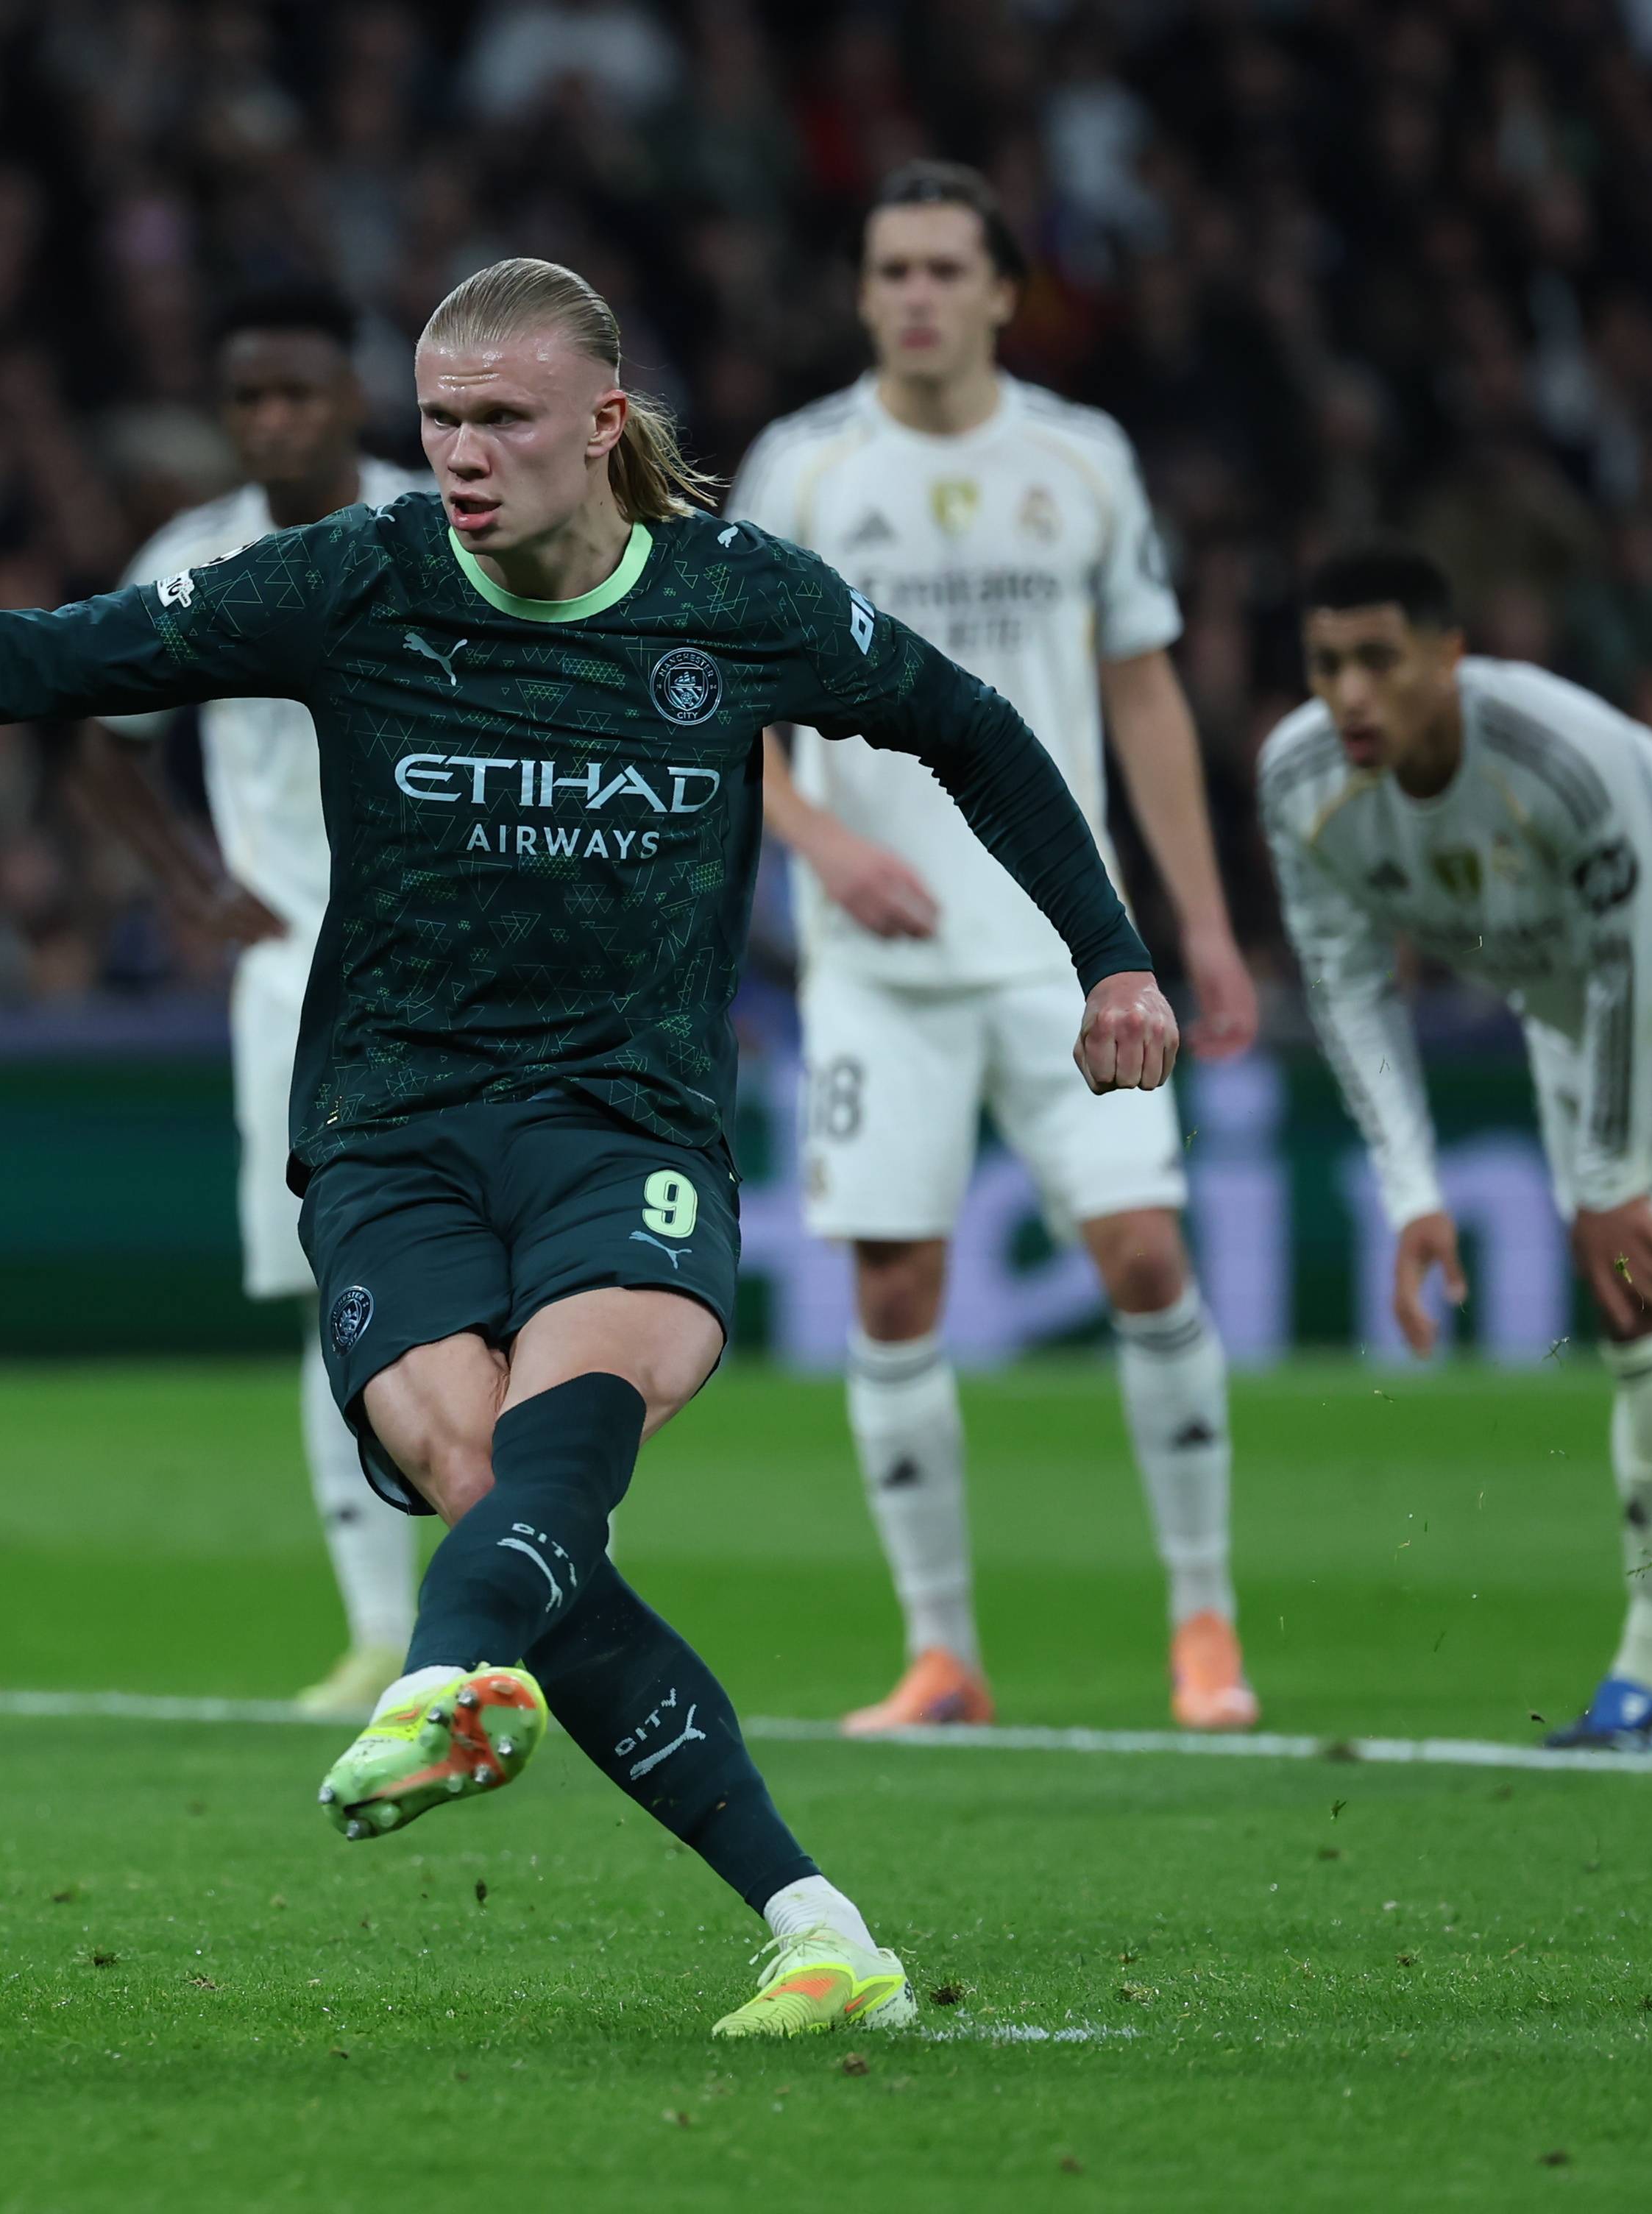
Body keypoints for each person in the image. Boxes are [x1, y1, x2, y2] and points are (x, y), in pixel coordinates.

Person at [0, 256, 1180, 2040]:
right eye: (441, 418)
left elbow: (973, 729)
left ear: (601, 423)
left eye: (502, 420)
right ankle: (819, 1927)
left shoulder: (736, 598)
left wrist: (1112, 954)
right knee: (486, 1483)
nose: (461, 453)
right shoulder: (354, 579)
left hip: (628, 1122)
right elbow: (47, 657)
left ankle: (444, 1677)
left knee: (560, 1454)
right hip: (392, 1131)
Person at [728, 161, 1261, 1736]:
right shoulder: (804, 468)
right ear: (861, 292)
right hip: (875, 961)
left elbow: (1144, 693)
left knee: (1145, 1254)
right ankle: (944, 1654)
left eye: (946, 269)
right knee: (897, 1288)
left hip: (1061, 952)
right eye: (891, 269)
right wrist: (824, 844)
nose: (917, 296)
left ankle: (1206, 1622)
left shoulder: (1082, 460)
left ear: (1004, 294)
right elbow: (720, 696)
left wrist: (1200, 926)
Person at [1263, 543, 1652, 1749]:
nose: (1349, 695)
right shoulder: (1299, 781)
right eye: (1326, 665)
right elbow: (1347, 988)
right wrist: (1412, 1192)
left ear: (1450, 658)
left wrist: (1608, 1188)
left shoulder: (1558, 757)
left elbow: (1632, 960)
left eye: (1379, 660)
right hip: (1570, 1005)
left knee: (1646, 1290)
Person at [78, 284, 431, 1715]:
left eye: (298, 392)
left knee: (517, 1285)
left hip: (464, 961)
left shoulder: (441, 524)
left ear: (352, 397)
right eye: (250, 399)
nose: (275, 419)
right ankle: (380, 1631)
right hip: (297, 979)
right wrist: (193, 882)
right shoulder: (192, 557)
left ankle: (516, 1591)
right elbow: (101, 735)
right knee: (332, 1296)